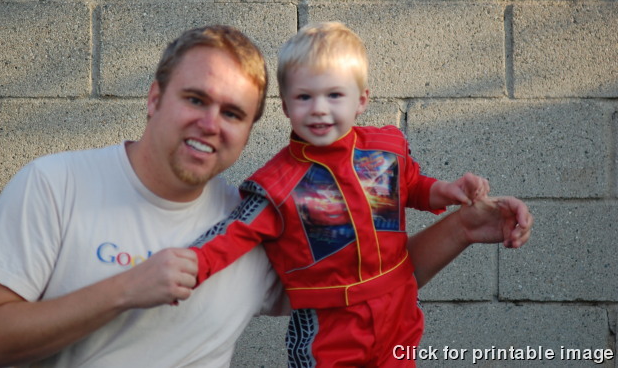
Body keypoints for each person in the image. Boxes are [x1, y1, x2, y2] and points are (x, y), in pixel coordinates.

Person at [0, 24, 532, 368]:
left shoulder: (265, 217)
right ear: (153, 98)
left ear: (250, 130)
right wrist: (124, 289)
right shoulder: (56, 184)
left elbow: (364, 283)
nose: (210, 123)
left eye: (233, 112)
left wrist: (461, 226)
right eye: (195, 99)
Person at [188, 22, 521, 367]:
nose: (319, 108)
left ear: (361, 100)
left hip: (399, 311)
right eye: (304, 97)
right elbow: (233, 233)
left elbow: (410, 186)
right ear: (285, 106)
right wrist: (189, 265)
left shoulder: (384, 150)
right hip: (330, 329)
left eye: (334, 95)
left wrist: (446, 191)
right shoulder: (277, 185)